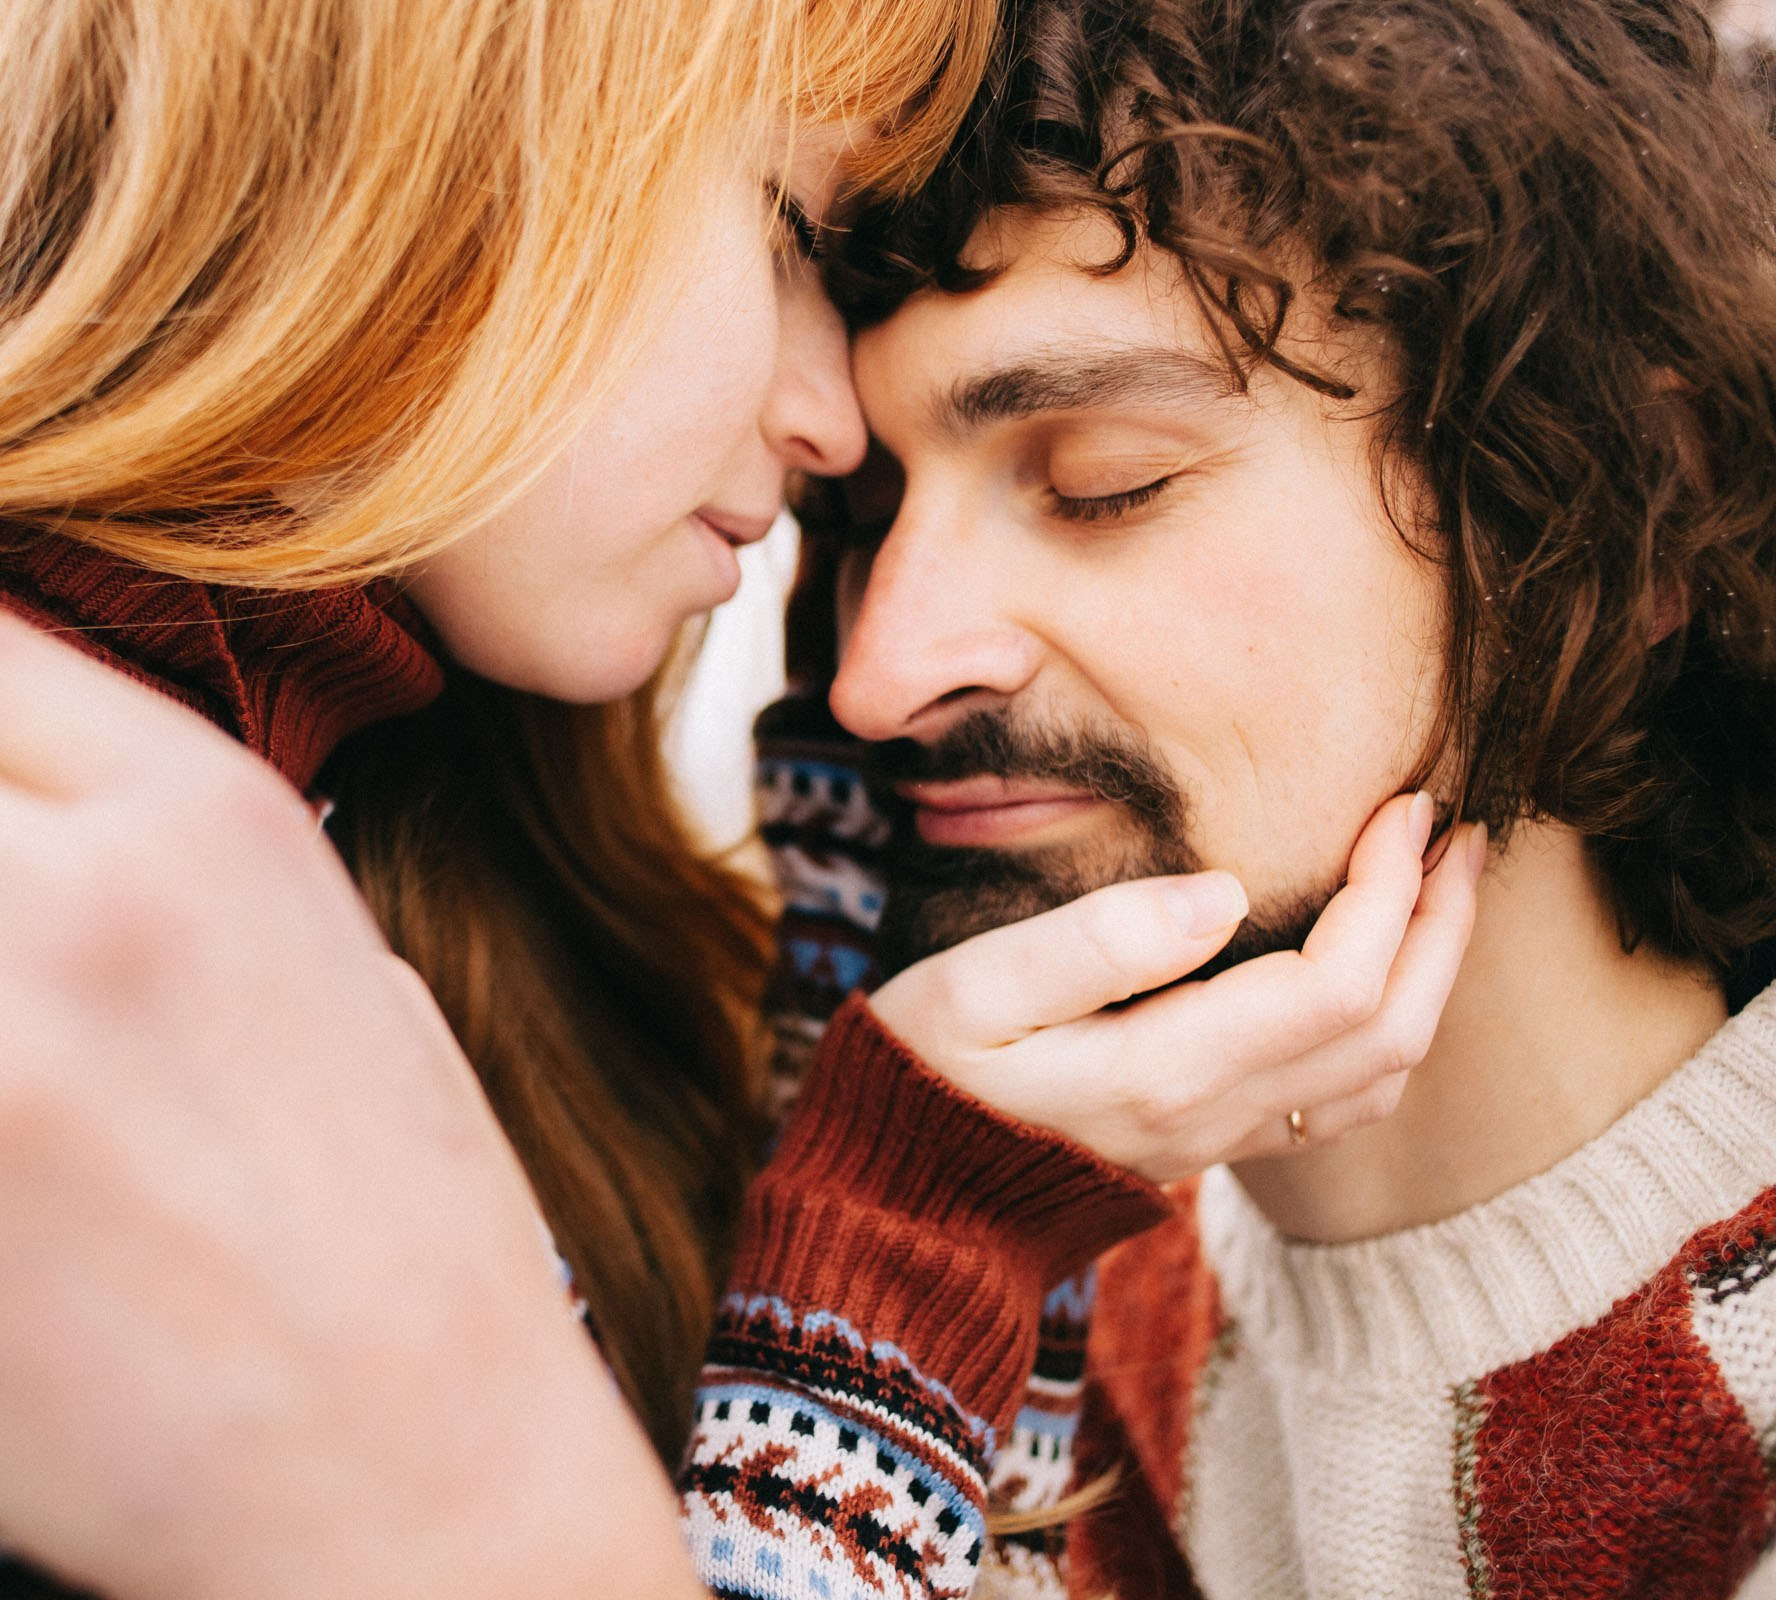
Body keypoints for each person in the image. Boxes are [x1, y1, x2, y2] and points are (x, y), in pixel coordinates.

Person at [0, 2, 1481, 1599]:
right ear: (437, 133)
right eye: (790, 229)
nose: (827, 410)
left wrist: (899, 872)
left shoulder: (294, 820)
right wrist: (891, 1278)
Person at [707, 0, 1776, 1593]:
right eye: (859, 516)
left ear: (1630, 499)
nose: (878, 674)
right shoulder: (979, 1340)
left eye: (1103, 484)